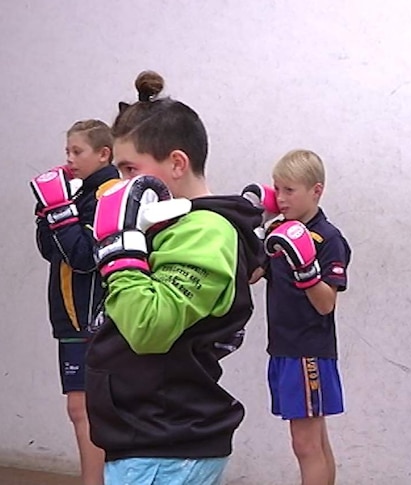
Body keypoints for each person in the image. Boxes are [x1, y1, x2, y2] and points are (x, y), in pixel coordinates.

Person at [84, 70, 264, 485]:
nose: (120, 185)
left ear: (177, 163)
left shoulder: (205, 231)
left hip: (166, 446)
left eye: (130, 169)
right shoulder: (173, 227)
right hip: (151, 438)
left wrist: (120, 251)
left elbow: (149, 326)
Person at [31, 119, 118, 485]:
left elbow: (83, 257)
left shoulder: (108, 195)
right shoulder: (80, 193)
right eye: (67, 151)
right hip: (70, 316)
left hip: (91, 317)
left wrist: (60, 211)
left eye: (77, 151)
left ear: (103, 153)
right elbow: (52, 251)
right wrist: (47, 211)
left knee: (86, 409)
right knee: (80, 409)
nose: (69, 159)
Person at [258, 149, 351, 485]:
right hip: (282, 347)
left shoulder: (329, 238)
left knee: (306, 443)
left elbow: (326, 304)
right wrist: (254, 225)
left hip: (309, 349)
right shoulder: (278, 230)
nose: (281, 198)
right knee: (314, 441)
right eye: (277, 189)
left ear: (316, 190)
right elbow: (252, 274)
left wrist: (306, 269)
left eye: (289, 190)